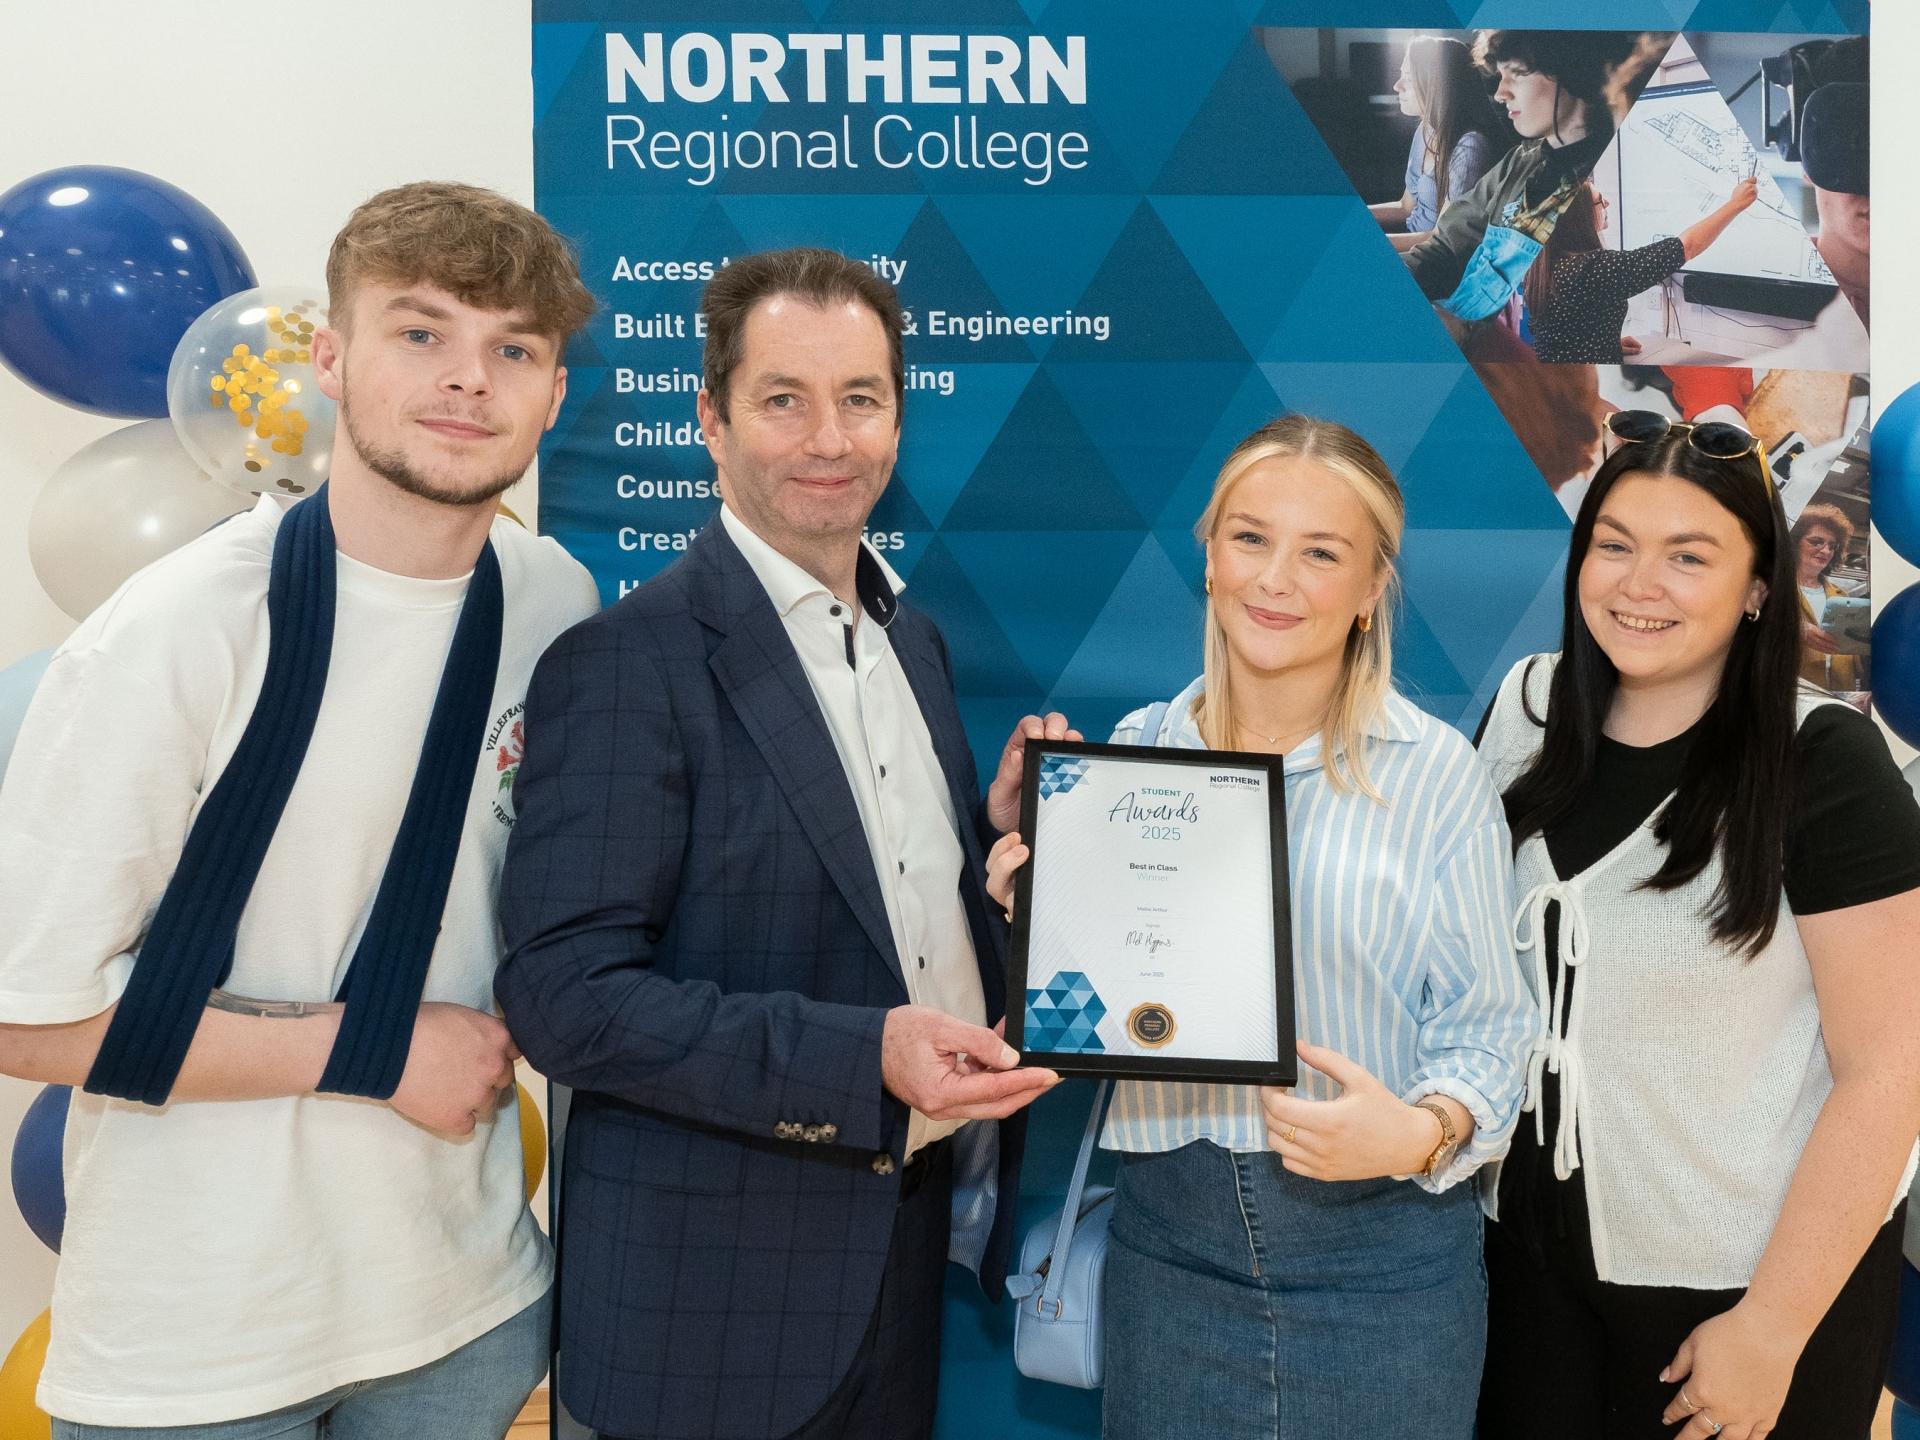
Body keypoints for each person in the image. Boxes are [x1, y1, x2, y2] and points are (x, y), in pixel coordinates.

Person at [0, 181, 600, 1436]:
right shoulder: (179, 629)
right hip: (198, 1343)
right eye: (420, 332)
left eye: (514, 350)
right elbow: (25, 1019)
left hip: (467, 1312)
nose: (467, 378)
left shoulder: (553, 601)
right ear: (330, 358)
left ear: (553, 393)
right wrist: (373, 1053)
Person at [494, 247, 1061, 1440]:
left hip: (896, 1264)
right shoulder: (624, 663)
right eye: (783, 400)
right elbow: (563, 998)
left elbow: (860, 895)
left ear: (898, 418)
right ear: (711, 418)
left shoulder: (911, 643)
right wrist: (865, 1058)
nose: (830, 439)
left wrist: (991, 840)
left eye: (861, 398)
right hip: (709, 1313)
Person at [985, 414, 1535, 1438]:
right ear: (1209, 557)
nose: (1275, 580)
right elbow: (1097, 1017)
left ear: (1371, 589)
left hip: (1387, 1274)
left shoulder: (1435, 776)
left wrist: (1423, 1131)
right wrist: (1041, 914)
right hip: (1170, 1259)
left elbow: (1493, 1029)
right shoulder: (1131, 758)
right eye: (1250, 538)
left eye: (1321, 552)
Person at [1474, 412, 1920, 1439]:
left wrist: (1772, 1326)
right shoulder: (1525, 713)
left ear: (1758, 586)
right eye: (1615, 545)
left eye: (1689, 556)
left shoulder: (1821, 764)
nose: (1640, 584)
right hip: (1525, 1283)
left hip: (1743, 1298)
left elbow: (1891, 1073)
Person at [1405, 30, 1654, 326]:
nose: (1500, 93)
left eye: (1518, 74)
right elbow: (1445, 247)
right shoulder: (1517, 162)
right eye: (1501, 75)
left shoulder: (1599, 159)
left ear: (1572, 71)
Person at [1527, 176, 1759, 363]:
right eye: (1599, 200)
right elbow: (1685, 247)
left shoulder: (1547, 263)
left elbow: (1558, 329)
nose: (1607, 204)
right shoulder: (1588, 268)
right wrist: (1735, 204)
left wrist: (1602, 344)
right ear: (1579, 215)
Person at [1370, 35, 1506, 254]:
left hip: (1430, 255)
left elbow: (1442, 238)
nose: (1397, 86)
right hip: (1409, 238)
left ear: (1438, 84)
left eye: (1408, 78)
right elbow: (1405, 207)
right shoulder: (1426, 129)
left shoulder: (1470, 148)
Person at [1789, 501, 1861, 691]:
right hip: (1793, 691)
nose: (1826, 550)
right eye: (1816, 542)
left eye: (1832, 545)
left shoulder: (1842, 595)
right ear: (1794, 542)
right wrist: (1793, 629)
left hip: (1841, 693)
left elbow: (1854, 652)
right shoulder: (1774, 590)